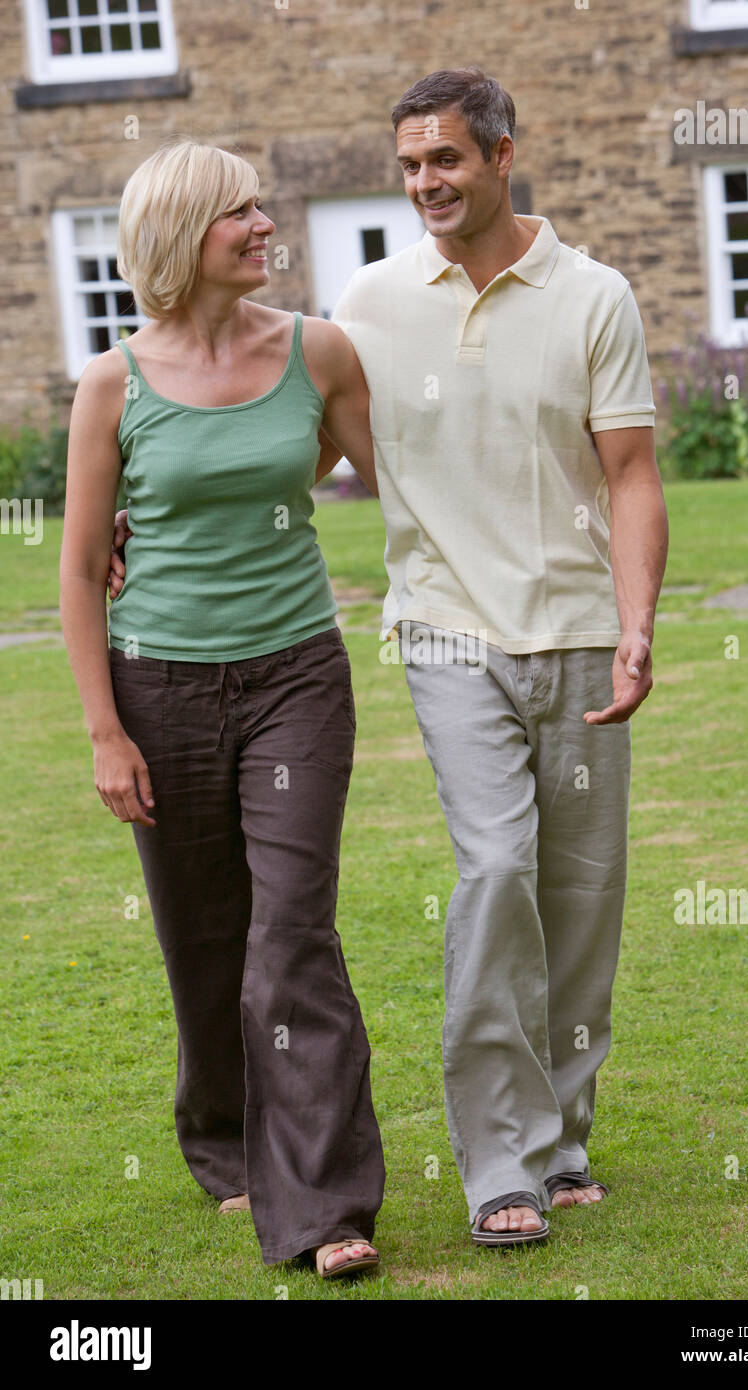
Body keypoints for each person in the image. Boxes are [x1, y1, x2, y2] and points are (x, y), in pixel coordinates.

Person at [111, 67, 669, 1250]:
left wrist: (634, 624)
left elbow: (627, 472)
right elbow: (294, 444)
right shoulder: (365, 301)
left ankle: (562, 1137)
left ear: (502, 155)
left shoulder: (593, 296)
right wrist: (149, 523)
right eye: (408, 164)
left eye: (445, 162)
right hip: (444, 631)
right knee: (493, 872)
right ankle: (499, 1165)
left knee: (579, 897)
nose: (423, 184)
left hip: (573, 630)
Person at [60, 137, 385, 1278]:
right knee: (201, 934)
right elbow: (77, 568)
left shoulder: (317, 350)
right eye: (237, 214)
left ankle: (324, 1207)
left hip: (296, 675)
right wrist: (105, 729)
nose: (263, 227)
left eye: (261, 209)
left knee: (290, 928)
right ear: (178, 238)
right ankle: (221, 1140)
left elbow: (404, 485)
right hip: (159, 687)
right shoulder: (114, 383)